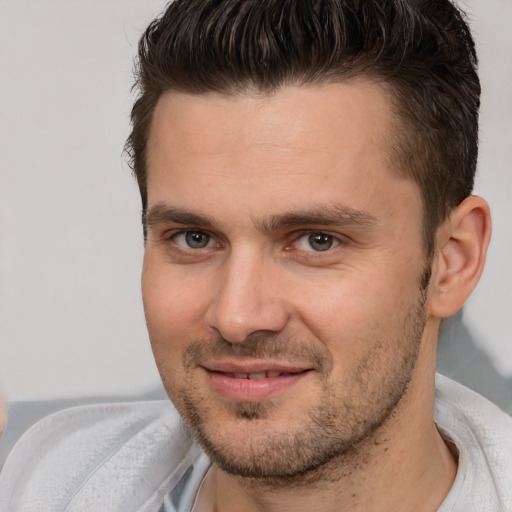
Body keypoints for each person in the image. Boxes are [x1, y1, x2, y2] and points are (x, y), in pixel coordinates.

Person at [1, 0, 511, 510]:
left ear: (452, 260)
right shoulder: (47, 481)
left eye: (317, 240)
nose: (236, 316)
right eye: (193, 238)